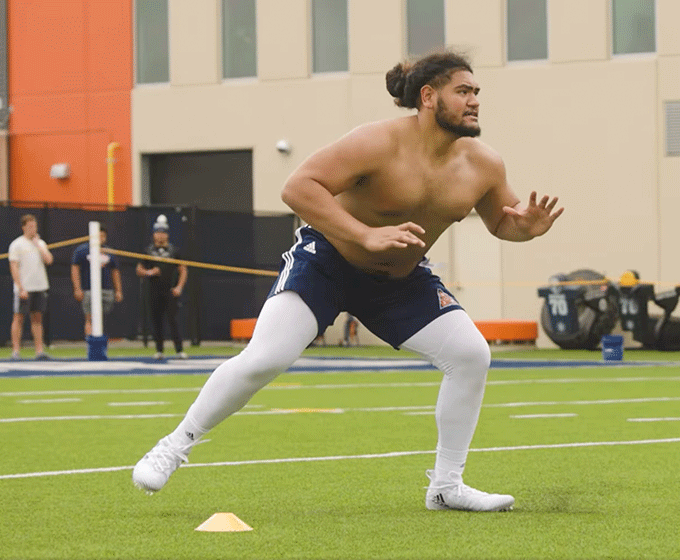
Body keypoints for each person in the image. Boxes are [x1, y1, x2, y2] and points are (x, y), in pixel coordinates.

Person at [132, 51, 563, 511]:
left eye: (476, 92)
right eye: (463, 91)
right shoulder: (375, 142)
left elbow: (504, 222)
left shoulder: (484, 164)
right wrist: (364, 234)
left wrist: (528, 228)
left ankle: (446, 486)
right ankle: (176, 444)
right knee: (265, 358)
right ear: (428, 96)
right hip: (328, 263)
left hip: (400, 280)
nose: (474, 100)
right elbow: (298, 187)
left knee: (472, 355)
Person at [136, 215, 188, 360]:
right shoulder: (148, 251)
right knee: (156, 321)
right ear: (153, 234)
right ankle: (159, 350)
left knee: (173, 321)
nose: (160, 236)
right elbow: (139, 269)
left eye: (163, 233)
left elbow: (183, 270)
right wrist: (149, 272)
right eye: (157, 233)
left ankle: (179, 349)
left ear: (167, 234)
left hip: (170, 291)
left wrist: (179, 287)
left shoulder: (174, 251)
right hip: (153, 291)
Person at [8, 214, 54, 360]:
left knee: (37, 319)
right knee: (19, 318)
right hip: (24, 288)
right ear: (23, 228)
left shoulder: (40, 243)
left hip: (39, 286)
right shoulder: (16, 244)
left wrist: (38, 246)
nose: (32, 229)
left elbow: (49, 260)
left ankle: (39, 351)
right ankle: (16, 351)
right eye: (29, 226)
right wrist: (20, 287)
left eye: (34, 226)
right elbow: (14, 267)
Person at [71, 224, 123, 338]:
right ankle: (92, 345)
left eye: (103, 236)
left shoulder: (109, 251)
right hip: (88, 289)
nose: (100, 238)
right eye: (98, 235)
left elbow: (115, 271)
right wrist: (77, 288)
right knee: (89, 317)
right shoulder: (82, 250)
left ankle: (99, 340)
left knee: (100, 319)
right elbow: (75, 269)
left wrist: (118, 290)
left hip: (106, 290)